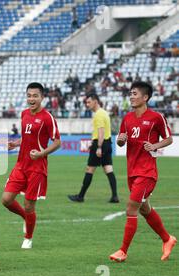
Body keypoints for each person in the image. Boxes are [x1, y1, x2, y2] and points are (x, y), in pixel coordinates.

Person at [109, 81, 176, 263]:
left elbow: (169, 138)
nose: (131, 96)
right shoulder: (127, 118)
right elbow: (121, 142)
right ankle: (167, 239)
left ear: (145, 97)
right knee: (145, 209)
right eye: (130, 93)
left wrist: (154, 145)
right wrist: (121, 140)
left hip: (147, 172)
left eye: (135, 93)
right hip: (132, 171)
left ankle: (123, 251)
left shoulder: (155, 117)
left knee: (131, 207)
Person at [1, 82, 61, 249]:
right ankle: (25, 218)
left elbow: (57, 142)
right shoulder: (24, 114)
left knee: (29, 205)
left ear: (42, 97)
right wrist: (16, 143)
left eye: (35, 96)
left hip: (37, 167)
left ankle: (28, 237)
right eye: (29, 95)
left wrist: (42, 154)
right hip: (21, 165)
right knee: (6, 200)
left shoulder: (47, 118)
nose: (31, 98)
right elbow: (27, 137)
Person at [68, 94, 119, 203]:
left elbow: (101, 131)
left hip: (100, 144)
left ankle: (80, 196)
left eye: (89, 102)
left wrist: (98, 146)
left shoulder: (98, 115)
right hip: (108, 143)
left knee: (89, 169)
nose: (87, 104)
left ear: (95, 101)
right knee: (108, 169)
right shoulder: (104, 113)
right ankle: (115, 196)